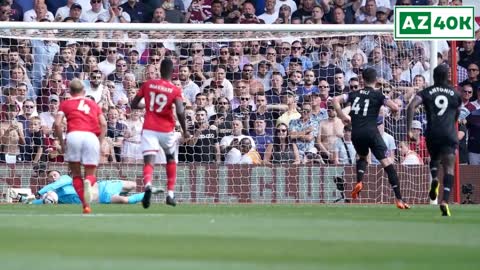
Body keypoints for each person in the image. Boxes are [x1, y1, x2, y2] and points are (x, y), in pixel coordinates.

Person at [332, 68, 410, 209]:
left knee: (362, 157)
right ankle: (399, 199)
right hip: (372, 132)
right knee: (387, 164)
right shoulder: (378, 95)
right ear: (376, 79)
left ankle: (359, 181)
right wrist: (388, 108)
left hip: (356, 133)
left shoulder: (353, 94)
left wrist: (342, 116)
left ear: (362, 79)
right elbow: (395, 107)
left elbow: (335, 99)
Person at [130, 58, 189, 208]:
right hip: (167, 129)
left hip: (149, 128)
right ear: (173, 72)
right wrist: (185, 130)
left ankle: (148, 184)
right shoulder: (175, 90)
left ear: (159, 70)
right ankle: (170, 194)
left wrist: (148, 106)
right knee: (170, 159)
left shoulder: (148, 84)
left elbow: (133, 104)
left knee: (149, 161)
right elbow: (181, 111)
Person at [407, 64, 462, 216]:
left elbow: (411, 106)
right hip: (450, 133)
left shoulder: (427, 92)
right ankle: (444, 201)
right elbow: (457, 112)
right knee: (449, 167)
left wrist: (409, 129)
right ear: (447, 77)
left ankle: (435, 178)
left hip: (432, 133)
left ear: (434, 77)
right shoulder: (455, 94)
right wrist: (452, 123)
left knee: (434, 159)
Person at [53, 79, 107, 214]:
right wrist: (99, 142)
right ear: (84, 91)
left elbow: (58, 124)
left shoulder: (65, 104)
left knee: (76, 174)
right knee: (91, 174)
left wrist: (61, 141)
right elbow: (104, 124)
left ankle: (85, 206)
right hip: (91, 136)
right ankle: (88, 181)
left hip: (74, 136)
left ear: (70, 92)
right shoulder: (93, 104)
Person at [14, 170, 163, 205]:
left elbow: (54, 185)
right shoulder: (57, 198)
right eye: (50, 176)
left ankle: (139, 190)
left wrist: (39, 192)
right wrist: (25, 200)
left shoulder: (66, 179)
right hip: (102, 197)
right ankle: (150, 192)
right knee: (124, 200)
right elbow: (41, 202)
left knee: (132, 184)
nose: (53, 177)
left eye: (55, 175)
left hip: (103, 186)